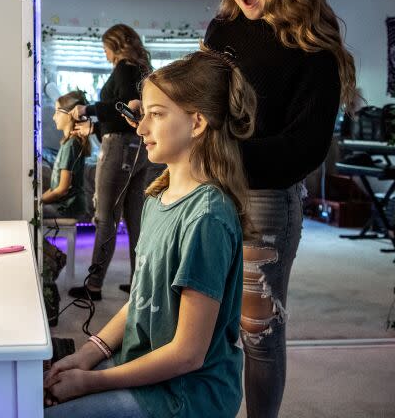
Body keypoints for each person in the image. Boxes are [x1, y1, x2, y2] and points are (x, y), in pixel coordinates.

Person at [201, 0, 357, 418]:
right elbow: (202, 97)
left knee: (258, 333)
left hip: (265, 203)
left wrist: (223, 155)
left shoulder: (314, 45)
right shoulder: (223, 27)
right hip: (209, 190)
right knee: (206, 321)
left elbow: (304, 150)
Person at [44, 49, 257, 417]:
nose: (141, 128)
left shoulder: (206, 218)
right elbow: (141, 299)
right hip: (146, 371)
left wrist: (91, 381)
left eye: (155, 115)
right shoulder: (157, 198)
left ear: (197, 123)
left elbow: (188, 354)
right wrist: (86, 355)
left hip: (184, 395)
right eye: (143, 115)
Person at [69, 24, 154, 299]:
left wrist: (88, 109)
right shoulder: (140, 71)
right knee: (134, 220)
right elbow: (128, 115)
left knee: (105, 218)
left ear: (115, 46)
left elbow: (125, 109)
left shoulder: (124, 69)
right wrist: (95, 128)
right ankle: (140, 284)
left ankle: (93, 286)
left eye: (106, 48)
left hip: (120, 148)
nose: (105, 54)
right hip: (138, 148)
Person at [42, 90, 90, 221]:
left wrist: (39, 201)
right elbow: (56, 188)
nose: (53, 117)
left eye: (57, 112)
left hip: (69, 207)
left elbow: (62, 188)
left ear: (69, 115)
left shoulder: (71, 144)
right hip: (68, 205)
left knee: (31, 214)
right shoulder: (69, 143)